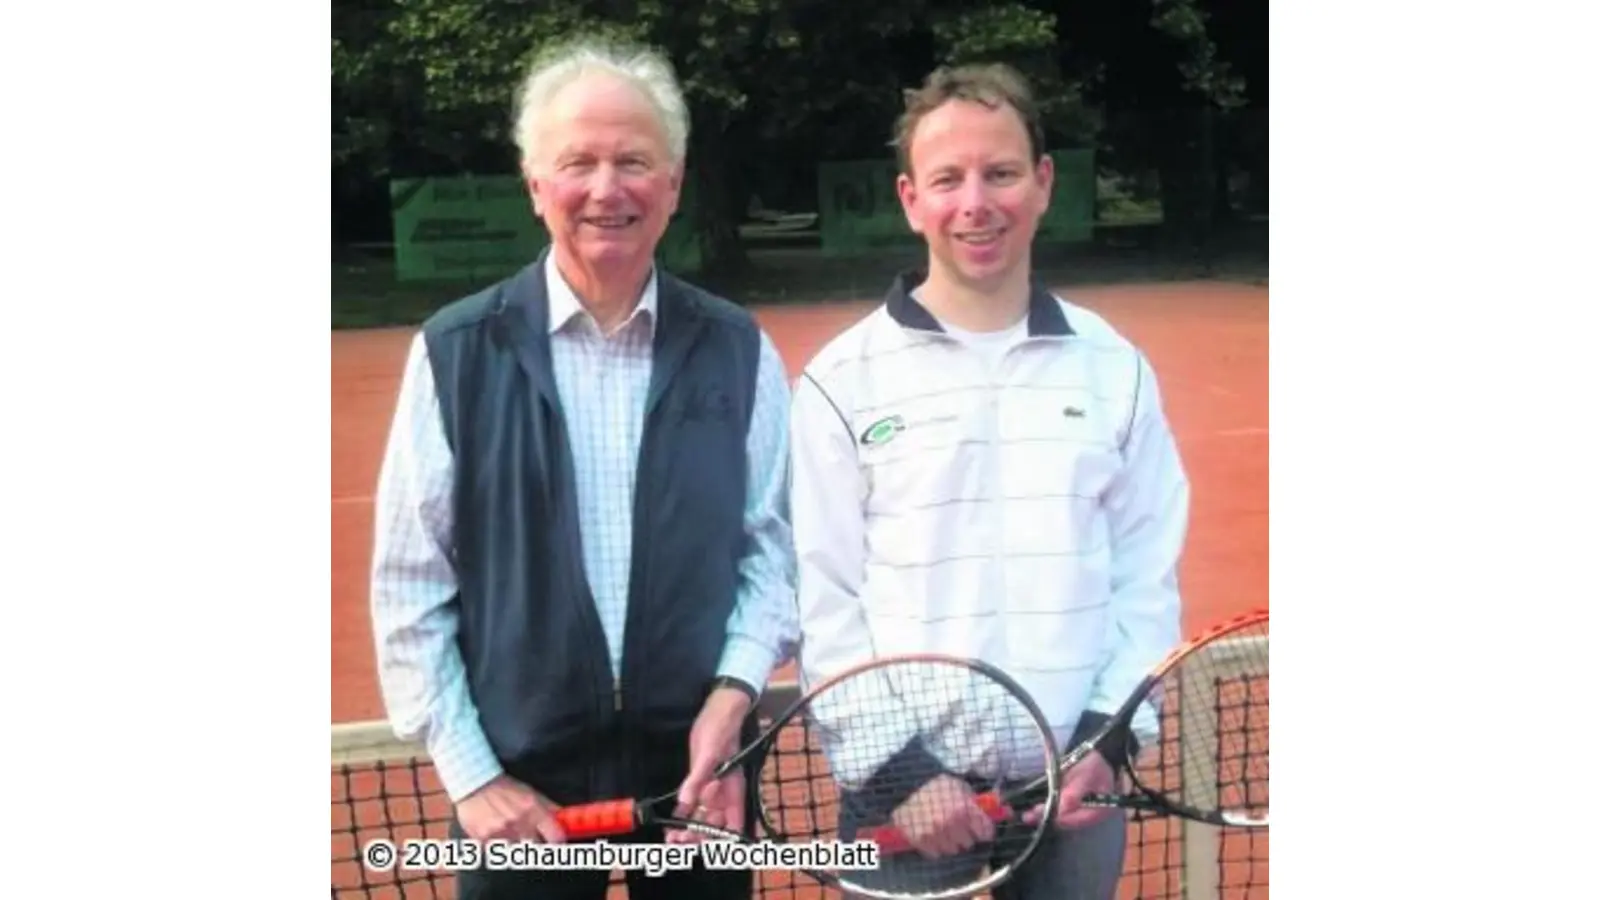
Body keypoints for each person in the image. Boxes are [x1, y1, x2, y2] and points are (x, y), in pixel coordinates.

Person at [368, 36, 797, 900]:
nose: (608, 188)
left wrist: (734, 695)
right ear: (536, 184)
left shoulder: (737, 350)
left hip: (698, 785)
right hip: (517, 796)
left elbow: (773, 554)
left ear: (673, 185)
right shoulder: (455, 353)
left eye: (635, 161)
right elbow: (409, 588)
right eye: (579, 162)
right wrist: (473, 777)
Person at [789, 63, 1190, 899]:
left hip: (1074, 791)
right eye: (948, 179)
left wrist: (1106, 741)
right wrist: (903, 774)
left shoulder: (1114, 370)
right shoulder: (841, 379)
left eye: (1001, 173)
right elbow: (821, 597)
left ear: (1042, 184)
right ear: (910, 198)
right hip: (902, 801)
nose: (977, 203)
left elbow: (1145, 577)